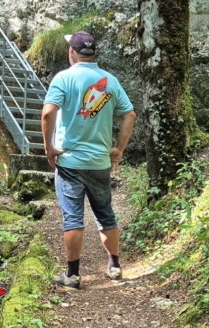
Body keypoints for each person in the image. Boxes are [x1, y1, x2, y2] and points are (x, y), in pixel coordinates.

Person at [41, 30, 137, 289]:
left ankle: (72, 275)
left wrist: (49, 148)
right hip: (99, 163)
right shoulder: (110, 80)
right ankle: (115, 266)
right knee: (105, 214)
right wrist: (119, 148)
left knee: (73, 218)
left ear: (72, 53)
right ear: (93, 53)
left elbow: (48, 114)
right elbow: (130, 114)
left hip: (70, 162)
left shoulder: (63, 78)